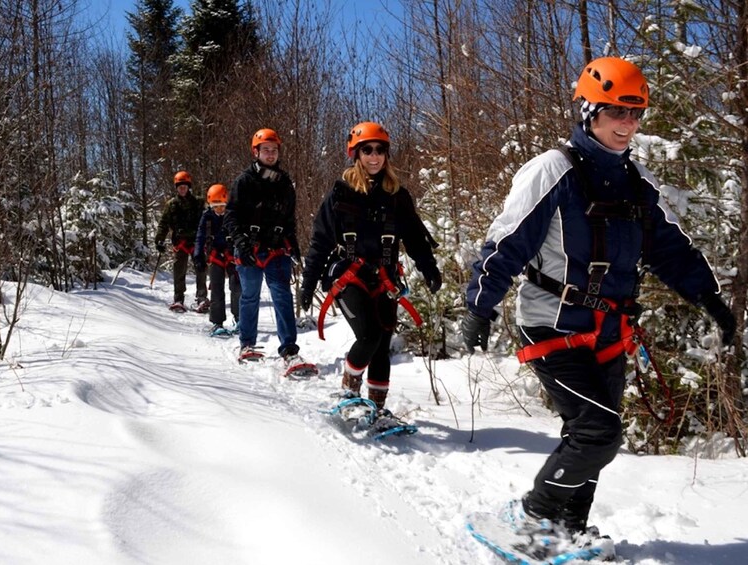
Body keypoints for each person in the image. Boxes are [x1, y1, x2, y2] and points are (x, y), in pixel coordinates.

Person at [462, 57, 736, 552]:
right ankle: (532, 520)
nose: (627, 125)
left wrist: (708, 297)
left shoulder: (635, 182)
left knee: (587, 433)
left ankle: (566, 528)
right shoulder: (554, 170)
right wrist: (479, 307)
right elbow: (507, 242)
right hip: (551, 324)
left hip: (607, 332)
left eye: (635, 115)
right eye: (617, 112)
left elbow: (668, 248)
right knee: (599, 431)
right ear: (590, 110)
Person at [300, 121, 441, 412]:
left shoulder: (397, 196)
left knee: (381, 346)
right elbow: (320, 243)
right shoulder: (341, 194)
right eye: (368, 150)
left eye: (380, 150)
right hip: (348, 275)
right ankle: (348, 394)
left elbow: (415, 238)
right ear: (357, 154)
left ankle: (376, 409)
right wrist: (308, 283)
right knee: (369, 336)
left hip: (385, 277)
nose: (374, 156)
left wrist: (429, 268)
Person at [224, 128, 303, 364]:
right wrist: (241, 243)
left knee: (282, 296)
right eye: (266, 150)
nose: (270, 154)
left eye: (274, 150)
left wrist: (294, 245)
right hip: (249, 248)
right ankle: (247, 343)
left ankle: (289, 348)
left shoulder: (285, 182)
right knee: (249, 296)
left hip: (277, 249)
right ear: (256, 152)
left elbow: (289, 219)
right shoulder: (244, 181)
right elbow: (230, 216)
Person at [155, 170, 208, 312]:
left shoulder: (198, 202)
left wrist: (209, 238)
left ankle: (202, 298)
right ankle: (178, 299)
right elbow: (163, 223)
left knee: (201, 269)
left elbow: (207, 221)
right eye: (180, 186)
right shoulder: (171, 205)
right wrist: (159, 240)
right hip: (180, 243)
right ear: (176, 188)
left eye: (184, 186)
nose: (182, 188)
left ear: (188, 186)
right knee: (179, 271)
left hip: (197, 242)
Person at [193, 184, 241, 335]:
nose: (219, 209)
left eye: (222, 206)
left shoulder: (232, 215)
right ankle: (217, 322)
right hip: (215, 255)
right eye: (216, 206)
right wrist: (198, 255)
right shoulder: (206, 218)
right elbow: (200, 237)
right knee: (216, 289)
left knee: (236, 287)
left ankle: (240, 318)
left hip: (232, 255)